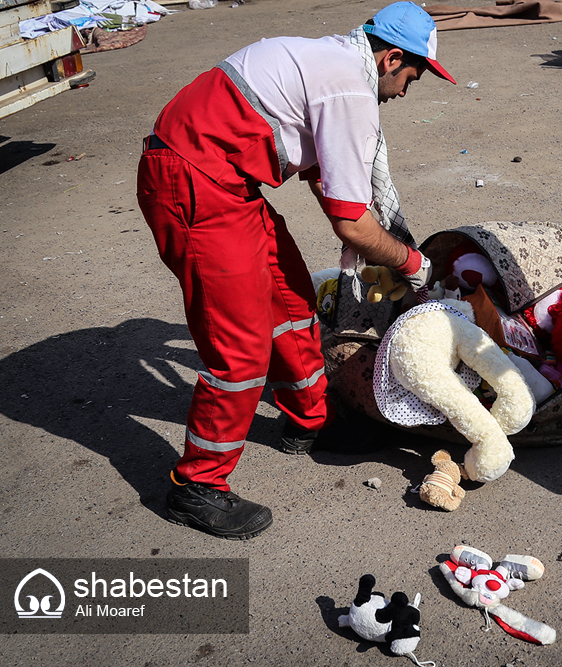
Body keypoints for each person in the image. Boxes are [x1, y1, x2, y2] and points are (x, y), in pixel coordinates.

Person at [136, 1, 455, 540]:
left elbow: (322, 176)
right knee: (238, 352)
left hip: (228, 184)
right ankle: (196, 486)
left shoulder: (332, 62)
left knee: (290, 300)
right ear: (390, 58)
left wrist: (382, 236)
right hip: (193, 182)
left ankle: (309, 420)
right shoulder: (350, 88)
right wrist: (412, 263)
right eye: (411, 79)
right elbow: (352, 225)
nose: (405, 93)